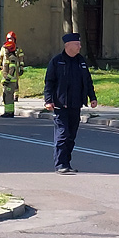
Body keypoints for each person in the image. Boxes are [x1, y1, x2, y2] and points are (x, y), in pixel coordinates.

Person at [43, 32, 98, 173]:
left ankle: (67, 163)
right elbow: (49, 82)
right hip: (61, 105)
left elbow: (87, 81)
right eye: (77, 44)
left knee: (71, 136)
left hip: (76, 104)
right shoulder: (57, 61)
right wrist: (48, 100)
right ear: (68, 45)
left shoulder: (81, 62)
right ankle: (60, 165)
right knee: (62, 134)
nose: (80, 46)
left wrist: (92, 97)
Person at [0, 31, 25, 117]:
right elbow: (0, 57)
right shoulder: (4, 49)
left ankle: (9, 111)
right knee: (7, 95)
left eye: (11, 39)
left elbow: (18, 62)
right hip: (7, 71)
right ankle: (8, 111)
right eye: (9, 39)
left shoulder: (15, 51)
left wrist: (21, 67)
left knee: (9, 94)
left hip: (11, 75)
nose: (10, 40)